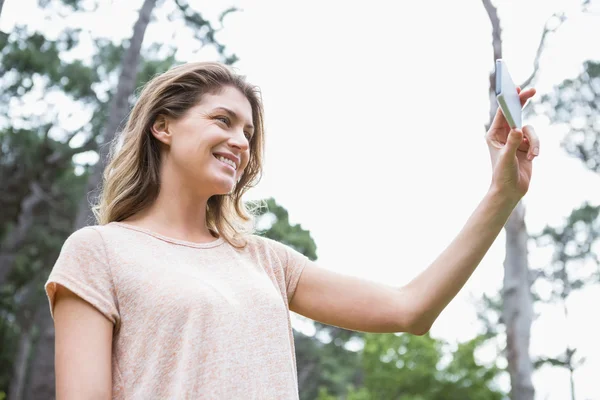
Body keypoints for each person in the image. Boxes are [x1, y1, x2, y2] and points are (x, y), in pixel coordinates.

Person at [45, 61, 540, 399]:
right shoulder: (99, 252)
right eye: (223, 120)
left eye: (248, 133)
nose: (240, 141)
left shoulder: (265, 260)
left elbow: (410, 310)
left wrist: (502, 196)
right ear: (163, 126)